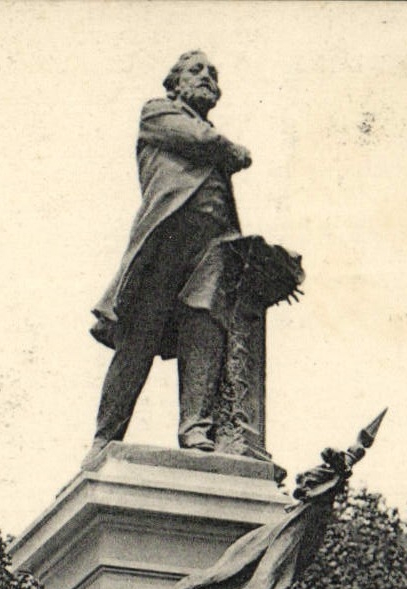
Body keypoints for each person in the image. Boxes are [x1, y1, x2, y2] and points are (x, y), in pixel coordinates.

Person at [87, 51, 252, 460]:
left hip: (214, 244)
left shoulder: (205, 134)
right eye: (196, 70)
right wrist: (233, 151)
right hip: (167, 242)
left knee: (205, 326)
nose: (207, 77)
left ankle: (196, 430)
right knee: (138, 338)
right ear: (175, 83)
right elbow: (203, 141)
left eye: (213, 72)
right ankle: (105, 437)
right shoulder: (158, 113)